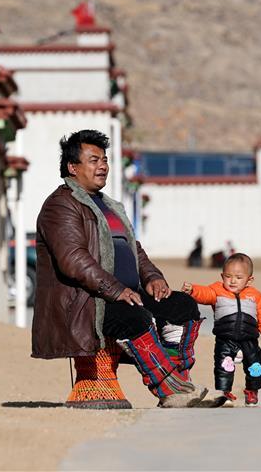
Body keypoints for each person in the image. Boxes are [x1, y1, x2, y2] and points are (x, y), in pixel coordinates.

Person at [31, 129, 209, 408]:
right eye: (93, 160)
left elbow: (133, 248)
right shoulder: (61, 205)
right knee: (134, 316)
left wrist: (152, 277)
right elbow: (73, 259)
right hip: (86, 303)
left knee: (181, 306)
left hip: (123, 294)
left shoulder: (109, 206)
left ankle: (182, 382)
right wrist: (116, 290)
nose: (103, 165)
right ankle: (171, 390)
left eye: (104, 159)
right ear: (73, 167)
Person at [182, 253, 261, 407]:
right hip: (225, 340)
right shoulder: (217, 290)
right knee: (223, 368)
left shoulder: (256, 296)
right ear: (222, 276)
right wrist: (193, 290)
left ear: (249, 280)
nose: (233, 281)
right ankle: (224, 393)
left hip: (249, 341)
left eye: (239, 277)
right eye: (228, 276)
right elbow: (205, 294)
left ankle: (252, 390)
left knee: (256, 367)